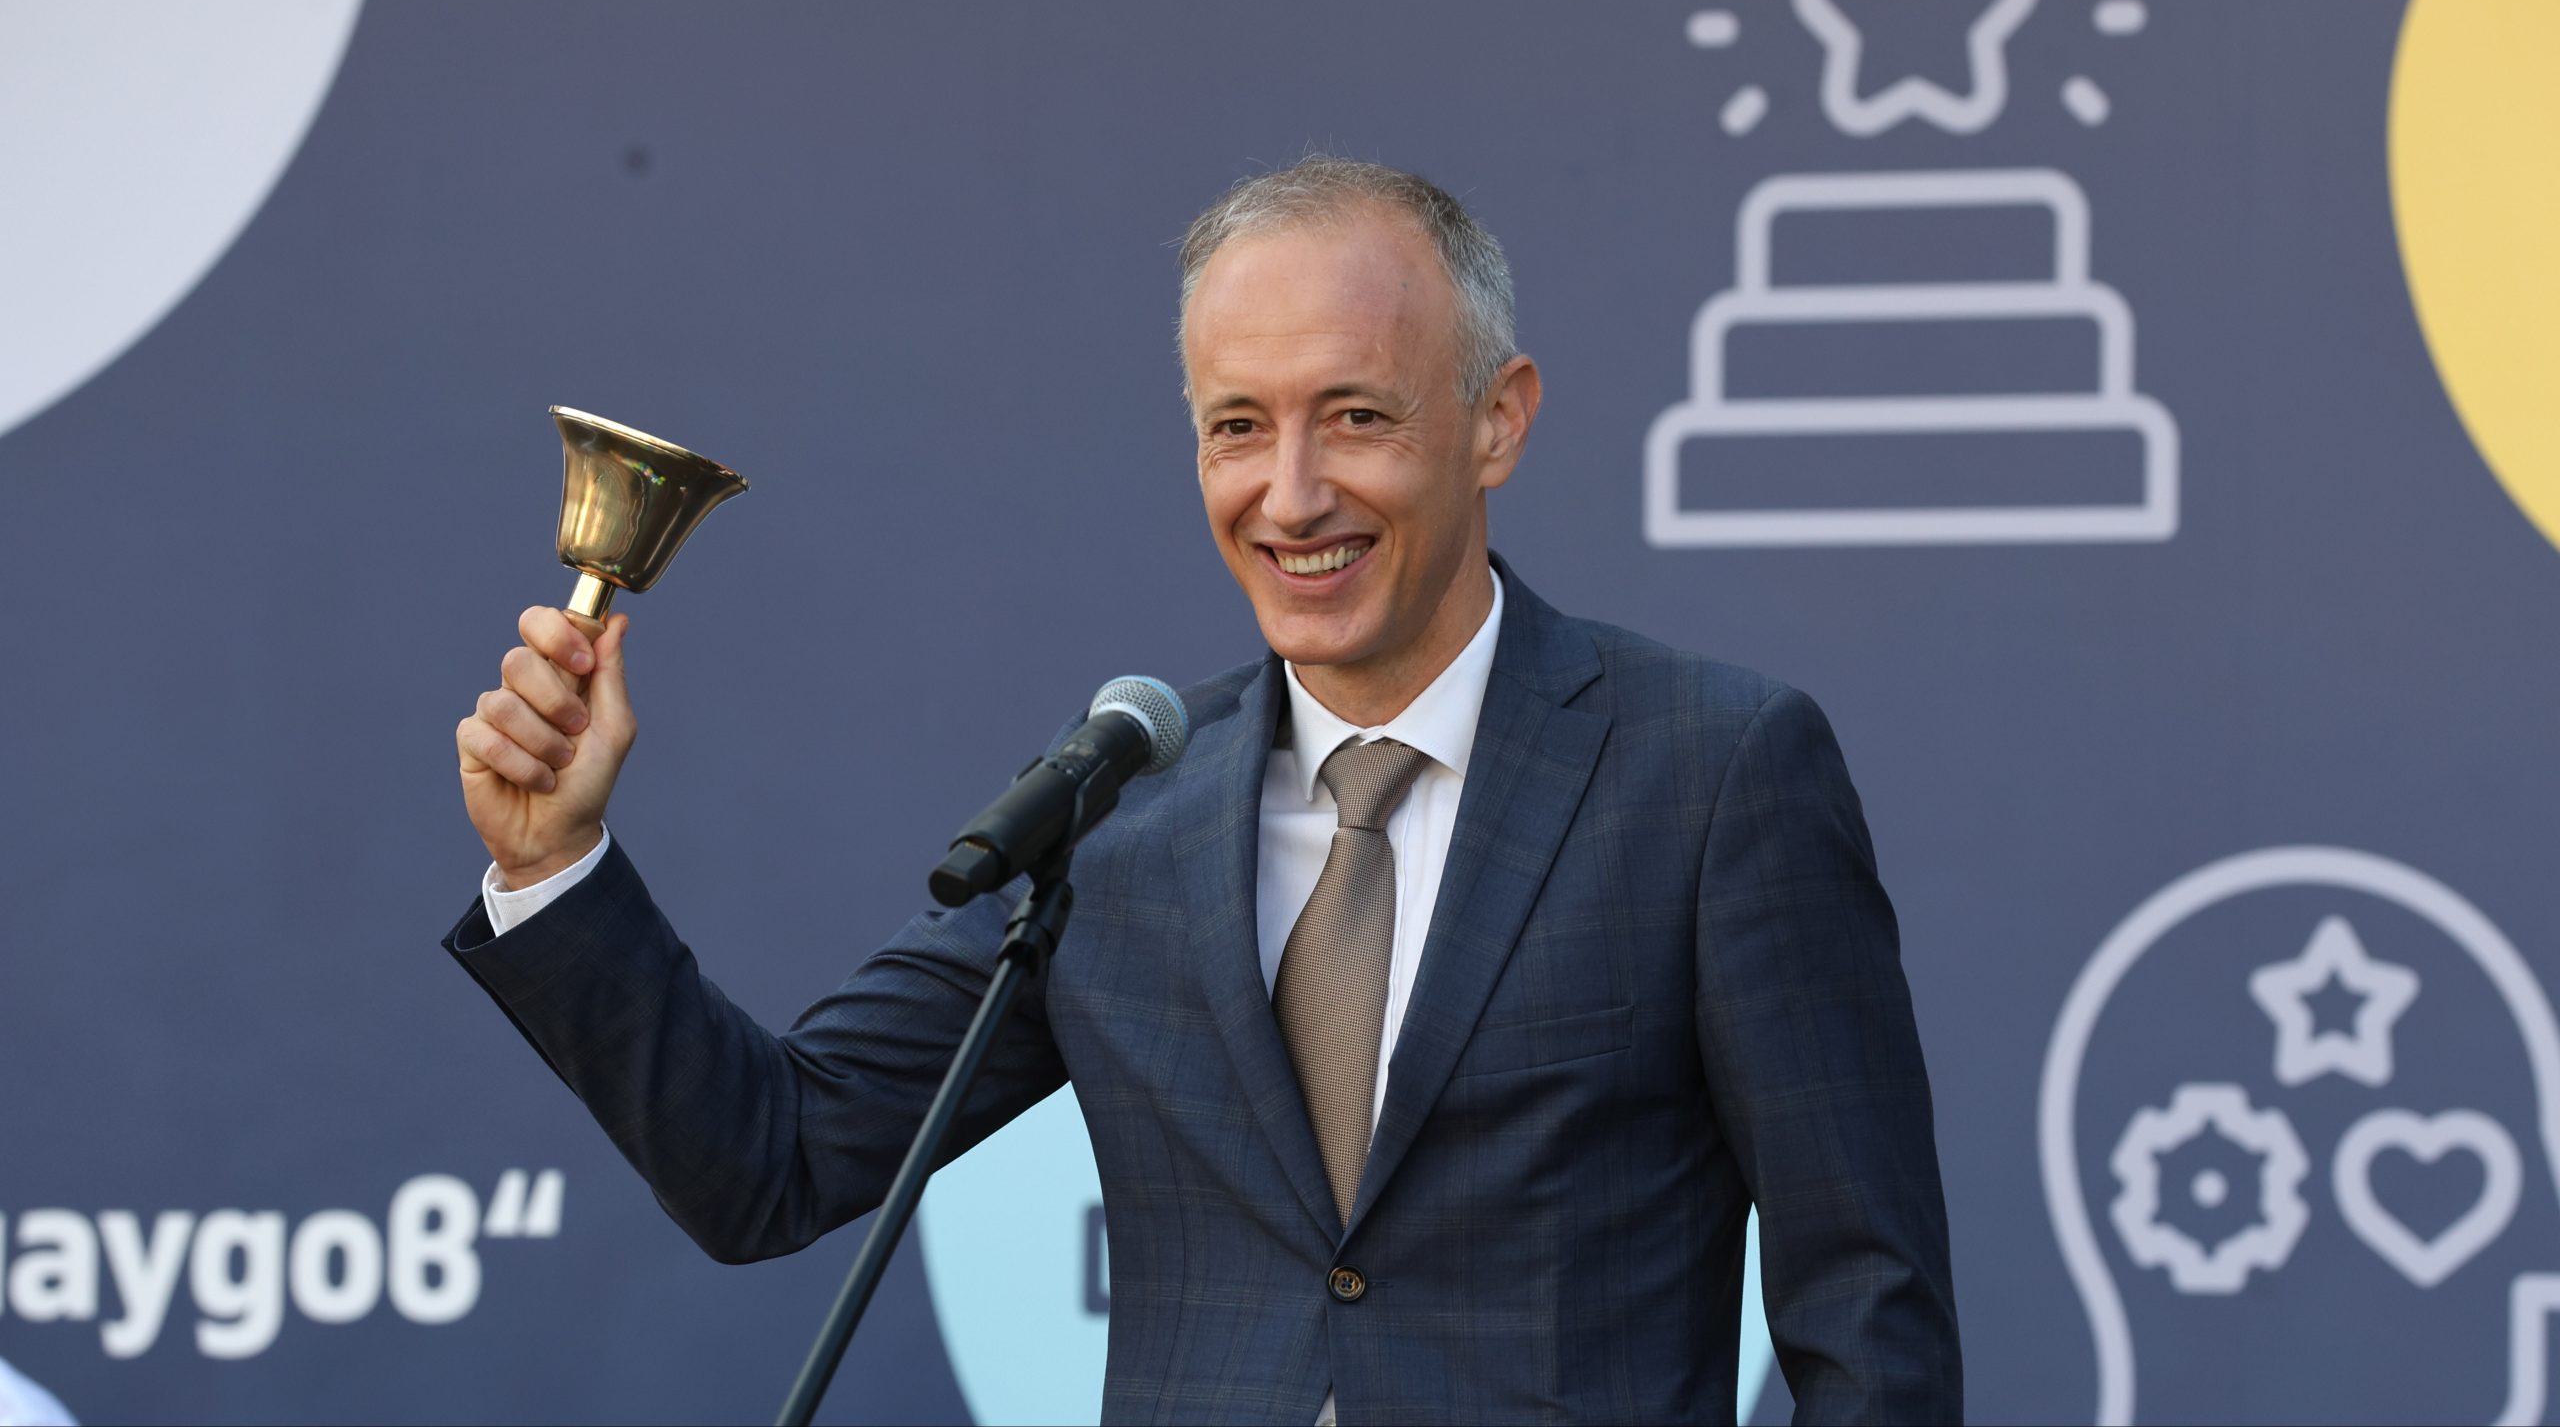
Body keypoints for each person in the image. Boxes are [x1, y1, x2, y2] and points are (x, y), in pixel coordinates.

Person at [447, 157, 1961, 1424]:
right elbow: (769, 1161)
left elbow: (1868, 1314)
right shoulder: (1122, 813)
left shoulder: (1713, 772)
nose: (1290, 494)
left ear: (1497, 418)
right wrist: (555, 867)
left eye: (1356, 415)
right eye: (1239, 426)